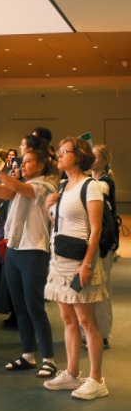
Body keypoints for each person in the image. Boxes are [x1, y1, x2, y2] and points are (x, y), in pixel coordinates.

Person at [0, 147, 59, 375]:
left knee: (34, 308)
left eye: (28, 161)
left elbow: (17, 186)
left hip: (34, 252)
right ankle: (27, 355)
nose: (23, 165)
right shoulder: (19, 188)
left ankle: (49, 359)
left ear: (41, 165)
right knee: (20, 308)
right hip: (13, 250)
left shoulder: (44, 185)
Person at [42, 137, 108, 400]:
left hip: (79, 260)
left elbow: (95, 229)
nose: (58, 154)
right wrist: (49, 208)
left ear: (77, 156)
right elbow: (60, 223)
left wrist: (88, 264)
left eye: (63, 151)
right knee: (68, 319)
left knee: (86, 322)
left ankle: (97, 379)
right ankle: (71, 373)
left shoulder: (90, 186)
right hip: (59, 258)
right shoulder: (63, 184)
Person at [91, 144, 116, 347]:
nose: (92, 160)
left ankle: (103, 333)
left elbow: (100, 189)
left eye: (96, 157)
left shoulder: (106, 183)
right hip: (88, 243)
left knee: (102, 288)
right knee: (87, 290)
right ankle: (88, 332)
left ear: (105, 160)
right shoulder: (89, 181)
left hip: (104, 244)